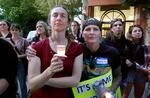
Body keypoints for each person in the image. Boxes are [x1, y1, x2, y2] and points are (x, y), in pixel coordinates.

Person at [27, 6, 83, 98]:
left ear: (68, 22)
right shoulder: (36, 48)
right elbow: (32, 85)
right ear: (49, 21)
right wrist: (50, 70)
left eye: (63, 16)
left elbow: (75, 81)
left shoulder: (77, 48)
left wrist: (44, 80)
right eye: (55, 15)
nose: (58, 18)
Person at [82, 18, 122, 98]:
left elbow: (118, 75)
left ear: (100, 33)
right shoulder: (77, 51)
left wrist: (111, 91)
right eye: (88, 29)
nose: (92, 32)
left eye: (96, 29)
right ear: (82, 33)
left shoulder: (112, 52)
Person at [101, 18, 128, 95]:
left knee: (120, 95)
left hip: (123, 74)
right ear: (112, 29)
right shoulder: (106, 42)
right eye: (115, 25)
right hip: (110, 75)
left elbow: (129, 55)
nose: (118, 27)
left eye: (120, 25)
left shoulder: (126, 42)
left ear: (123, 27)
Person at [123, 25, 146, 98]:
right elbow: (121, 55)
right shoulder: (126, 44)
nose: (138, 32)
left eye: (139, 31)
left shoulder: (144, 46)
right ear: (131, 33)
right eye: (135, 31)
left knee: (138, 96)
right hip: (129, 72)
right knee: (124, 95)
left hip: (141, 72)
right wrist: (125, 60)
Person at [8, 23, 29, 98]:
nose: (14, 31)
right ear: (10, 31)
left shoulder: (24, 41)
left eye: (16, 30)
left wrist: (18, 56)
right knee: (11, 84)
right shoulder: (7, 41)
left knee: (22, 83)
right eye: (12, 30)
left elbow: (28, 53)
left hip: (20, 64)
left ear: (19, 31)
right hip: (10, 65)